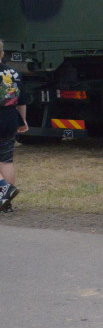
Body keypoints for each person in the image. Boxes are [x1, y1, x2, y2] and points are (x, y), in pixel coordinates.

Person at [0, 38, 29, 214]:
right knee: (6, 160)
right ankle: (6, 203)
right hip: (10, 118)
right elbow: (22, 101)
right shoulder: (13, 73)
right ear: (2, 54)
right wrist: (23, 120)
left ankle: (4, 190)